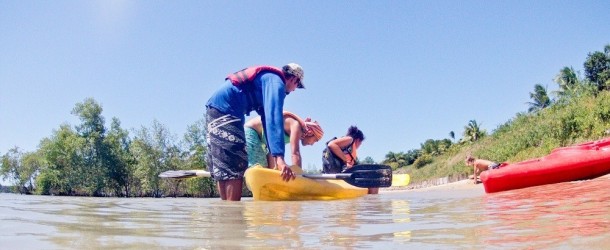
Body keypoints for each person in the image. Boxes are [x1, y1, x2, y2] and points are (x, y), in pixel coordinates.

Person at [205, 63, 305, 201]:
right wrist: (281, 158)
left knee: (224, 168)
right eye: (297, 86)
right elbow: (274, 116)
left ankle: (225, 217)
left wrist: (276, 158)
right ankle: (234, 219)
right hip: (227, 110)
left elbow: (266, 121)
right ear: (295, 79)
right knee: (235, 165)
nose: (294, 90)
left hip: (215, 109)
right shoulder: (277, 82)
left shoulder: (268, 81)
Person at [245, 111, 324, 169]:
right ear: (310, 133)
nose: (312, 144)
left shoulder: (290, 135)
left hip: (263, 142)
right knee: (259, 168)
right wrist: (299, 177)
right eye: (315, 140)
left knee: (271, 170)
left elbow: (273, 150)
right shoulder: (296, 126)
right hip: (252, 131)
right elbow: (295, 153)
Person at [322, 126, 378, 194]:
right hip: (342, 174)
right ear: (358, 140)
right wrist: (346, 160)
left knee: (372, 180)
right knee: (374, 181)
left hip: (343, 173)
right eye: (360, 143)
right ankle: (373, 201)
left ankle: (370, 199)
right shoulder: (350, 139)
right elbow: (331, 144)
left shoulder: (347, 146)